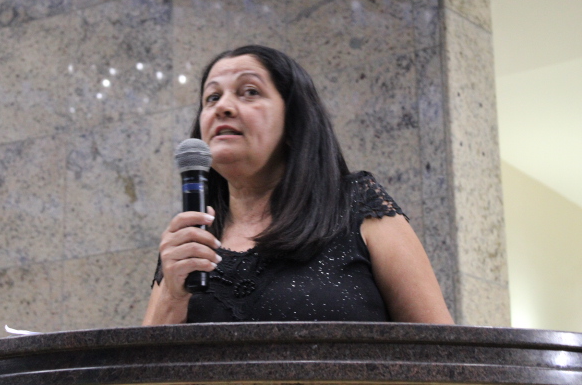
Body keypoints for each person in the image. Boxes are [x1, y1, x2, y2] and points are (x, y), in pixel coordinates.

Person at [143, 45, 453, 325]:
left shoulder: (357, 206)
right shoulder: (191, 238)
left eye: (249, 91)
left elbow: (440, 350)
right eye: (212, 97)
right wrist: (172, 295)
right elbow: (143, 362)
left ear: (294, 123)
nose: (223, 106)